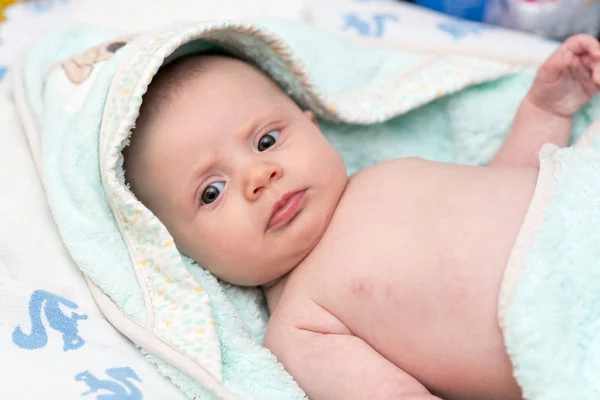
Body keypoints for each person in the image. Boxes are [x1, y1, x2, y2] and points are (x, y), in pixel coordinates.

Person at [123, 34, 600, 400]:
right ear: (181, 250)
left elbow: (511, 184)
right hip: (566, 320)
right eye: (211, 191)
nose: (259, 176)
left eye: (267, 140)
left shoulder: (385, 175)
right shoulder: (299, 327)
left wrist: (545, 110)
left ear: (312, 125)